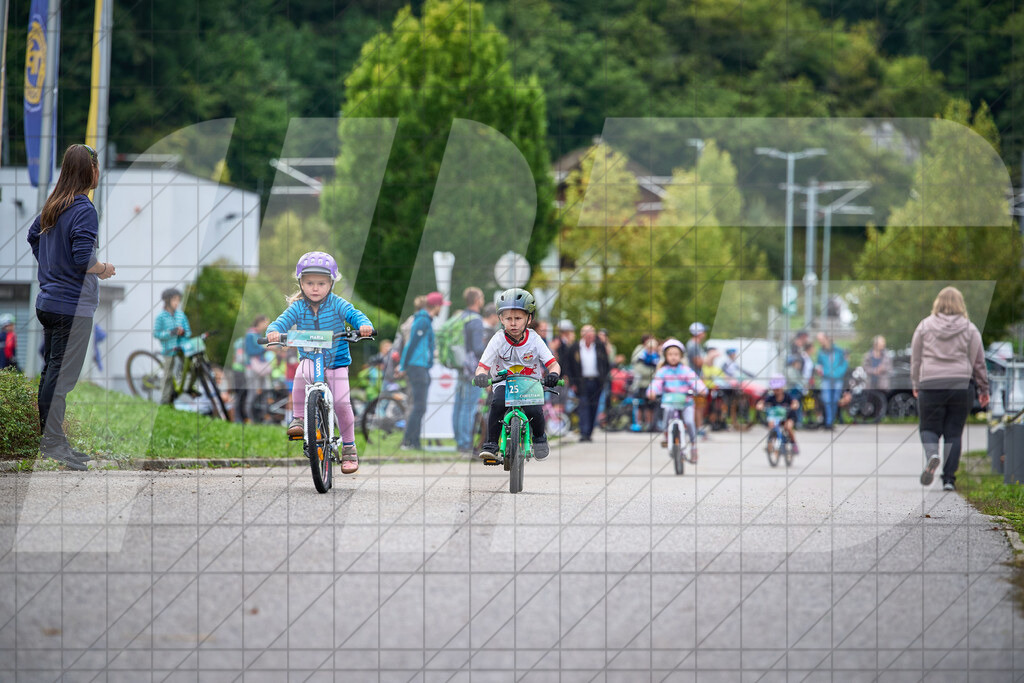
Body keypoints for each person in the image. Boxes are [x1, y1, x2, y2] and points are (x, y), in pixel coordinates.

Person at [27, 144, 114, 469]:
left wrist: (51, 267)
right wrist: (103, 268)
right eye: (96, 166)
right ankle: (52, 443)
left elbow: (33, 236)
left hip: (49, 301)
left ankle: (53, 440)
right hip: (71, 308)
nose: (99, 172)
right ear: (90, 170)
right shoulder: (83, 208)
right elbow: (82, 260)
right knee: (62, 378)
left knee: (52, 372)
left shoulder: (54, 204)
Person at [265, 251, 373, 474]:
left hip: (336, 363)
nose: (315, 288)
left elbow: (355, 315)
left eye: (321, 283)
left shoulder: (338, 304)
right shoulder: (297, 307)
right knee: (300, 375)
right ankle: (298, 419)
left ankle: (349, 447)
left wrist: (364, 326)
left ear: (331, 284)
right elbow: (281, 322)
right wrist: (273, 331)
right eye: (310, 283)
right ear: (301, 283)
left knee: (342, 403)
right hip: (310, 358)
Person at [912, 286, 989, 491]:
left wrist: (916, 383)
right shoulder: (970, 329)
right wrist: (983, 389)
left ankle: (932, 455)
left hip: (931, 384)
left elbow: (916, 358)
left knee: (928, 428)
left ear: (938, 303)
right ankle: (948, 480)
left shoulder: (924, 326)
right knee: (954, 433)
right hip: (961, 385)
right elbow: (979, 362)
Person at [473, 288, 561, 461]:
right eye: (508, 319)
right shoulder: (498, 339)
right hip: (503, 382)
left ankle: (539, 438)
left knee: (534, 410)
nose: (513, 323)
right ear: (501, 319)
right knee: (497, 403)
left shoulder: (535, 339)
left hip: (530, 383)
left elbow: (553, 364)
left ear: (529, 319)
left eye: (518, 318)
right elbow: (482, 367)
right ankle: (491, 444)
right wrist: (481, 375)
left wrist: (553, 375)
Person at [398, 291, 446, 450]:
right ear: (436, 306)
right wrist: (403, 366)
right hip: (417, 367)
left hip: (420, 367)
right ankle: (408, 441)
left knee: (419, 406)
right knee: (419, 406)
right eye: (441, 306)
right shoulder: (423, 321)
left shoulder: (425, 320)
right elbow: (411, 344)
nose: (441, 309)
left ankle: (414, 442)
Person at [647, 338, 707, 459]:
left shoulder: (686, 370)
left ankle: (693, 446)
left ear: (681, 356)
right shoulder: (662, 371)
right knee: (667, 414)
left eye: (676, 354)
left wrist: (701, 389)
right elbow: (656, 383)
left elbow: (695, 381)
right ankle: (666, 435)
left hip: (686, 402)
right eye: (670, 354)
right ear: (665, 356)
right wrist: (652, 392)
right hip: (669, 401)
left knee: (689, 422)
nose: (673, 357)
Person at [452, 286, 487, 454]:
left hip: (460, 366)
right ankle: (465, 443)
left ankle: (459, 441)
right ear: (477, 300)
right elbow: (478, 348)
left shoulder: (461, 317)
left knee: (459, 405)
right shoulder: (476, 320)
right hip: (472, 369)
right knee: (469, 407)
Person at [563, 324, 610, 443]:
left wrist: (604, 378)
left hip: (597, 381)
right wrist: (572, 382)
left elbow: (606, 363)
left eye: (591, 335)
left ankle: (589, 432)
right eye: (587, 335)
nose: (590, 337)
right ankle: (584, 432)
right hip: (581, 382)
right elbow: (568, 365)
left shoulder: (599, 346)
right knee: (583, 406)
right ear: (582, 335)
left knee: (594, 406)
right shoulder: (575, 347)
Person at [153, 288, 192, 405]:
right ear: (167, 300)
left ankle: (187, 390)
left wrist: (183, 332)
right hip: (169, 349)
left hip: (182, 348)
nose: (177, 302)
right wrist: (171, 332)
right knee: (168, 375)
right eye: (174, 299)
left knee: (190, 368)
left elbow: (188, 332)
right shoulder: (161, 317)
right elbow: (156, 334)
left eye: (178, 300)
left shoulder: (181, 315)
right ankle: (164, 401)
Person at [756, 375, 801, 455]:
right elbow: (762, 402)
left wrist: (794, 405)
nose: (776, 390)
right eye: (774, 389)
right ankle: (770, 444)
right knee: (771, 425)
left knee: (788, 427)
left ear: (782, 387)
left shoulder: (788, 396)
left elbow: (795, 402)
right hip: (776, 418)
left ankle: (794, 444)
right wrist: (760, 405)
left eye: (778, 388)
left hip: (788, 417)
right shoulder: (771, 398)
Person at [815, 332, 848, 430]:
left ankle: (831, 420)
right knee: (826, 400)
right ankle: (828, 422)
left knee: (835, 400)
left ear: (827, 339)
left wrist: (838, 373)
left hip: (837, 379)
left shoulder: (839, 351)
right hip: (826, 379)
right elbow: (818, 364)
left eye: (821, 340)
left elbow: (844, 364)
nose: (820, 342)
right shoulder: (821, 352)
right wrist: (820, 370)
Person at [243, 315, 271, 423]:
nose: (267, 325)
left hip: (260, 368)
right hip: (252, 369)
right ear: (260, 322)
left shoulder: (258, 335)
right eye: (266, 322)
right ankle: (249, 418)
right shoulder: (250, 335)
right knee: (253, 393)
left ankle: (263, 416)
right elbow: (250, 351)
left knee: (265, 390)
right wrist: (265, 349)